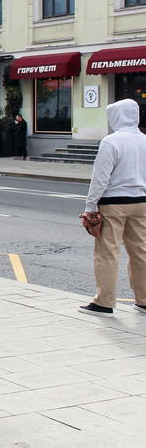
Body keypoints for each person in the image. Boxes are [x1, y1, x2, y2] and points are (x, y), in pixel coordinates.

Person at [78, 99, 146, 317]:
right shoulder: (144, 140)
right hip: (141, 202)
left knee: (107, 252)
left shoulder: (111, 142)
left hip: (113, 204)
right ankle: (144, 300)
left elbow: (100, 177)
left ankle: (104, 303)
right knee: (141, 252)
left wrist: (90, 206)